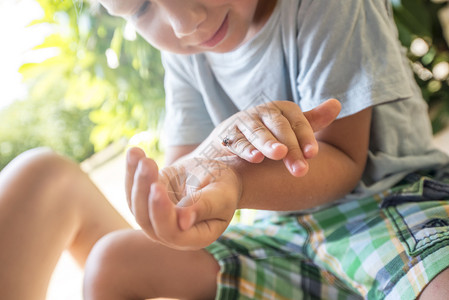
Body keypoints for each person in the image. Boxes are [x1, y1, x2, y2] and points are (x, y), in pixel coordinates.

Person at [1, 0, 449, 299]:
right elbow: (189, 169)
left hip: (390, 206)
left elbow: (344, 163)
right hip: (289, 240)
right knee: (110, 261)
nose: (183, 22)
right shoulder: (186, 52)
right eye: (138, 7)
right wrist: (181, 208)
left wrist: (234, 176)